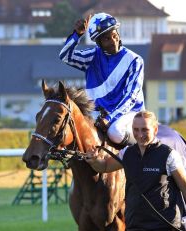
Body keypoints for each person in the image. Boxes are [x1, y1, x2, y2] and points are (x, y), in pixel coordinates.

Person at [59, 13, 145, 147]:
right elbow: (65, 56)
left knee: (115, 132)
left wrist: (110, 118)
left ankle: (135, 161)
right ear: (98, 42)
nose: (113, 41)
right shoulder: (92, 56)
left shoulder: (135, 60)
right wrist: (77, 34)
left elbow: (131, 96)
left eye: (115, 36)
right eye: (106, 39)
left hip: (129, 113)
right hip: (97, 113)